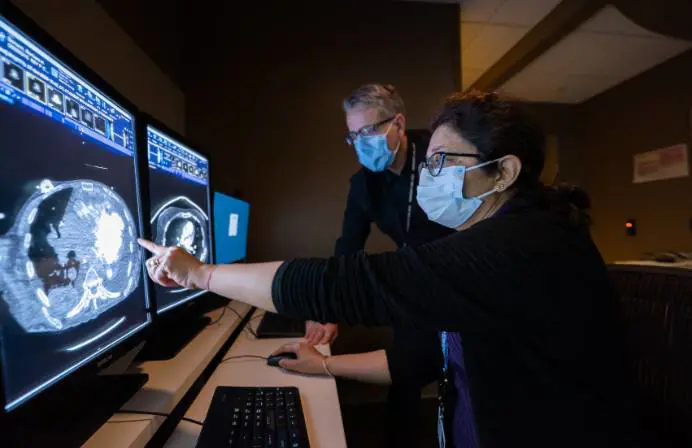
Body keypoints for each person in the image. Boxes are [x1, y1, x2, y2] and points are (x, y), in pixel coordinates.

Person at [140, 91, 638, 448]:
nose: (429, 176)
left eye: (443, 161)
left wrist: (201, 274)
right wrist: (326, 364)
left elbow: (356, 283)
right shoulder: (509, 236)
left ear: (503, 172)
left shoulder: (522, 245)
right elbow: (424, 357)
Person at [304, 83, 453, 446]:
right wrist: (327, 307)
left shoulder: (440, 155)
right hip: (412, 278)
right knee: (404, 374)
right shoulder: (364, 185)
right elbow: (347, 246)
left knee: (459, 372)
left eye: (369, 130)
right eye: (353, 135)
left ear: (398, 124)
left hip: (457, 272)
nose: (361, 141)